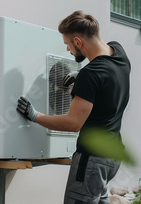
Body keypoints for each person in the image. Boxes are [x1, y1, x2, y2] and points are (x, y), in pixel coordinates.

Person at [16, 10, 131, 204]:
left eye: (68, 45)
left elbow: (73, 123)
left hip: (92, 160)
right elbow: (108, 78)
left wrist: (35, 115)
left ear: (78, 42)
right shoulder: (119, 53)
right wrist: (84, 82)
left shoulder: (90, 74)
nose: (68, 50)